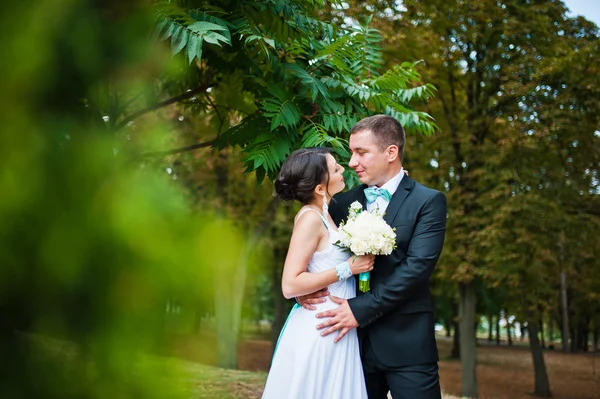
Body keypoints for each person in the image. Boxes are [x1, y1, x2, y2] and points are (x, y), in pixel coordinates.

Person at [298, 114, 447, 399]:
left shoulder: (428, 201)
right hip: (348, 346)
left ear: (391, 152)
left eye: (361, 152)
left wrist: (359, 309)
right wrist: (305, 291)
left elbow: (416, 269)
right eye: (352, 153)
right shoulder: (340, 203)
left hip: (408, 344)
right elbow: (318, 253)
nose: (352, 162)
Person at [262, 147, 375, 399]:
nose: (343, 169)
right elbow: (290, 284)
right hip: (320, 328)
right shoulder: (310, 219)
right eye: (335, 169)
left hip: (335, 322)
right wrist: (349, 268)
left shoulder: (326, 215)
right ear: (320, 189)